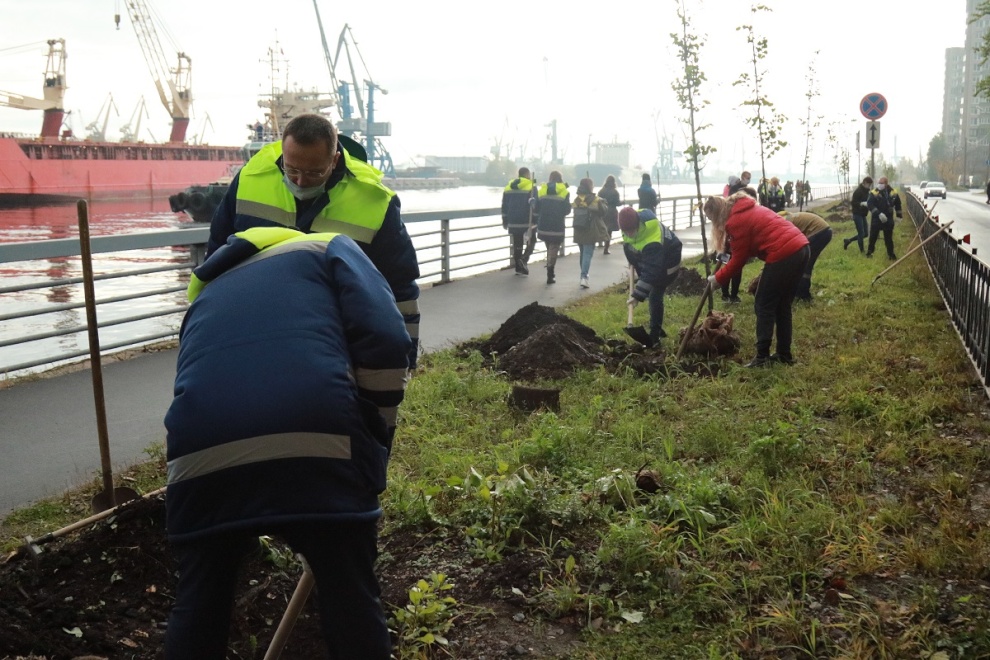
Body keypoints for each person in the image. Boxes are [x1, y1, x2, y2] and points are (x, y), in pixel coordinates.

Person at [163, 226, 411, 660]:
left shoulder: (206, 291)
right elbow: (387, 340)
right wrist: (374, 443)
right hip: (318, 440)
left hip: (199, 457)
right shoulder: (329, 247)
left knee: (199, 604)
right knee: (350, 596)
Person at [206, 113, 421, 368]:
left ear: (335, 160)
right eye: (291, 169)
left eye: (314, 172)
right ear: (283, 154)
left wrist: (406, 358)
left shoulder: (375, 202)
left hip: (334, 344)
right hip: (255, 332)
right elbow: (216, 257)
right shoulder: (250, 178)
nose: (300, 181)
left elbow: (400, 285)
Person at [704, 193, 810, 367]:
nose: (712, 223)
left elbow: (738, 260)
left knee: (763, 303)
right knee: (782, 305)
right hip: (801, 248)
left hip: (784, 252)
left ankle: (762, 357)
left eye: (711, 219)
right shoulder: (744, 210)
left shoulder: (736, 221)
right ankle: (784, 354)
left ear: (717, 214)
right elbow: (735, 248)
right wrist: (723, 254)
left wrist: (717, 279)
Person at [618, 206, 683, 346]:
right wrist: (632, 260)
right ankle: (657, 325)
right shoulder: (632, 223)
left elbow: (652, 271)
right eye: (625, 231)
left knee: (654, 295)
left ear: (637, 224)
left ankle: (655, 335)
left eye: (631, 231)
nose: (628, 234)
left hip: (668, 264)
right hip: (652, 261)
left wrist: (637, 296)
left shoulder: (652, 239)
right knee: (650, 292)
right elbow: (629, 245)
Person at [782, 210, 833, 301]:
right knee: (805, 263)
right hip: (825, 231)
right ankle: (801, 293)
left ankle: (802, 294)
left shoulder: (783, 224)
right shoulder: (786, 218)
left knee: (803, 263)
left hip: (819, 232)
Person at [534, 170, 571, 284]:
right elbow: (567, 210)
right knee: (554, 247)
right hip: (557, 224)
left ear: (550, 178)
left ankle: (549, 266)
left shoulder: (542, 190)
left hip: (544, 224)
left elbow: (536, 208)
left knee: (549, 246)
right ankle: (550, 272)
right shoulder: (564, 191)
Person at [572, 177, 609, 288]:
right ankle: (584, 277)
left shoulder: (577, 199)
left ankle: (583, 275)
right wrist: (602, 201)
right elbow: (603, 212)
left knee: (583, 253)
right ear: (590, 186)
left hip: (578, 228)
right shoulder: (595, 199)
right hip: (590, 229)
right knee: (587, 254)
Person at [502, 167, 537, 275]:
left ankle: (518, 268)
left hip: (513, 220)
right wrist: (535, 220)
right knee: (532, 241)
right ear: (527, 175)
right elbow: (535, 205)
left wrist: (505, 220)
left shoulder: (508, 187)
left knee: (517, 245)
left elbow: (504, 206)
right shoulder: (531, 186)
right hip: (526, 221)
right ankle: (523, 259)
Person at [866, 176, 902, 260]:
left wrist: (899, 216)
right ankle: (869, 253)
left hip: (888, 219)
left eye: (881, 183)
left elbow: (898, 204)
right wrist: (878, 214)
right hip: (877, 219)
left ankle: (891, 255)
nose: (879, 184)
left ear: (886, 184)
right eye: (879, 183)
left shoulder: (893, 192)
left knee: (888, 238)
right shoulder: (874, 192)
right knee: (873, 237)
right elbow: (870, 204)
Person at [843, 176, 873, 252]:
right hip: (857, 214)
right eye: (869, 184)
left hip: (863, 214)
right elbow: (853, 203)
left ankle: (848, 240)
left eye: (870, 185)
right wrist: (861, 203)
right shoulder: (858, 191)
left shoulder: (866, 191)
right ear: (865, 182)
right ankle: (862, 251)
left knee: (866, 233)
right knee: (861, 233)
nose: (869, 186)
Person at [597, 174, 621, 254]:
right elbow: (617, 203)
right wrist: (621, 203)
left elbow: (597, 201)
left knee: (603, 229)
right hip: (612, 212)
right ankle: (606, 248)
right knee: (609, 231)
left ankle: (601, 243)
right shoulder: (615, 192)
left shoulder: (601, 191)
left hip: (603, 212)